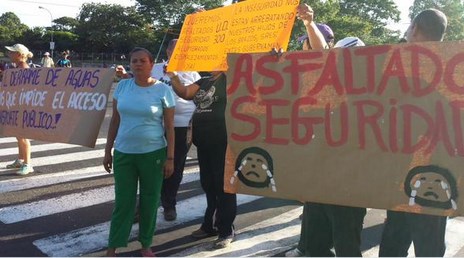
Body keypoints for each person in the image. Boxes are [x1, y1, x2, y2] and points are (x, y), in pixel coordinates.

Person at [378, 9, 448, 257]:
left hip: (401, 172)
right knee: (429, 246)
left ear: (415, 29)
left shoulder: (393, 65)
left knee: (394, 244)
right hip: (440, 178)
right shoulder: (453, 67)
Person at [116, 39, 201, 222]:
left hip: (181, 125)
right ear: (169, 52)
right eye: (174, 50)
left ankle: (169, 204)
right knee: (151, 168)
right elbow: (140, 83)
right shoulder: (156, 68)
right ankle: (144, 206)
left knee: (175, 167)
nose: (177, 53)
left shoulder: (192, 73)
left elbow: (195, 96)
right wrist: (125, 75)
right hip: (156, 125)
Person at [103, 47, 175, 257]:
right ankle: (113, 246)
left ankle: (145, 244)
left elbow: (170, 127)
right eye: (134, 61)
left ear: (152, 64)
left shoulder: (163, 90)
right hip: (124, 152)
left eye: (143, 61)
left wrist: (170, 158)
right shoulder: (123, 87)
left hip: (153, 153)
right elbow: (114, 121)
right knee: (123, 202)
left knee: (149, 200)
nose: (138, 64)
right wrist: (108, 151)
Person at [167, 70, 237, 249]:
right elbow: (185, 93)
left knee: (224, 187)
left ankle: (226, 230)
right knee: (209, 185)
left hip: (223, 143)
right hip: (204, 143)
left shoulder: (231, 78)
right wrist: (174, 77)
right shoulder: (203, 80)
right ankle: (210, 225)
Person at [4, 43, 34, 175]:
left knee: (23, 136)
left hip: (23, 108)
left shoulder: (24, 69)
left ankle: (28, 164)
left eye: (12, 52)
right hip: (17, 106)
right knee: (18, 135)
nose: (9, 54)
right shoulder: (15, 69)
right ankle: (21, 159)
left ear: (19, 55)